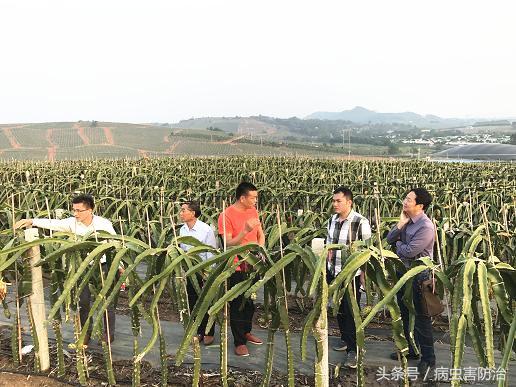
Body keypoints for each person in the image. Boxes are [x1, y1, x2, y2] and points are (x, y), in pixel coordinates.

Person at [14, 194, 118, 345]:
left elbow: (115, 245)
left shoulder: (104, 224)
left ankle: (109, 334)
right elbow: (53, 223)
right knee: (83, 302)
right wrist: (31, 221)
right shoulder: (72, 223)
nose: (75, 214)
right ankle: (86, 333)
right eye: (74, 210)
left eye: (79, 210)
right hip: (82, 267)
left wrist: (119, 266)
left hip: (103, 266)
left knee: (106, 301)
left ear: (91, 210)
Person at [386, 188, 436, 377]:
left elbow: (408, 252)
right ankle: (412, 350)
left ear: (420, 205)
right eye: (405, 198)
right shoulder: (407, 220)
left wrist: (398, 244)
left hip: (419, 277)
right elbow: (389, 239)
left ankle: (428, 359)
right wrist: (400, 225)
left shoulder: (426, 227)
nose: (404, 202)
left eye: (408, 199)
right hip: (403, 274)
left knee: (422, 318)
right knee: (405, 313)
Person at [218, 182, 265, 357]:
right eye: (253, 197)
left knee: (250, 301)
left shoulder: (253, 211)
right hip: (236, 264)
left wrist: (260, 249)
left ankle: (246, 331)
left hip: (254, 262)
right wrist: (245, 230)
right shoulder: (226, 215)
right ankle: (239, 341)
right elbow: (228, 243)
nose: (255, 200)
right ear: (242, 197)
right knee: (237, 302)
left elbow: (261, 234)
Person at [326, 186, 371, 368]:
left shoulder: (361, 222)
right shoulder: (331, 220)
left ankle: (354, 349)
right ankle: (345, 339)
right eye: (333, 201)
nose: (334, 204)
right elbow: (328, 243)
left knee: (351, 312)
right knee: (339, 309)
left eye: (339, 201)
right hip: (333, 271)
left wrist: (364, 276)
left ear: (349, 202)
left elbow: (368, 251)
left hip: (352, 274)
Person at [178, 200, 218, 345]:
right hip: (189, 270)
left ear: (193, 213)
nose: (181, 213)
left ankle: (209, 332)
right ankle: (199, 331)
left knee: (206, 301)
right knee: (193, 301)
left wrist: (209, 272)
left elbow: (211, 251)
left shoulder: (206, 229)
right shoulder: (182, 230)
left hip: (203, 270)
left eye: (183, 210)